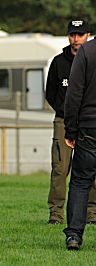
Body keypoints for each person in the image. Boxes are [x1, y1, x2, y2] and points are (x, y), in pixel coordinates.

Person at [45, 18, 95, 225]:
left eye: (80, 35)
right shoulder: (59, 61)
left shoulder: (92, 58)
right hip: (63, 121)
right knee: (60, 168)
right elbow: (50, 93)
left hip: (89, 123)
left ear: (88, 35)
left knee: (91, 168)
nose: (76, 39)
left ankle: (92, 215)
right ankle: (56, 214)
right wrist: (64, 112)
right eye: (73, 34)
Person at [63, 20, 96, 250]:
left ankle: (74, 235)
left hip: (89, 128)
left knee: (80, 182)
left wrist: (70, 130)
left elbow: (74, 94)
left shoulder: (86, 51)